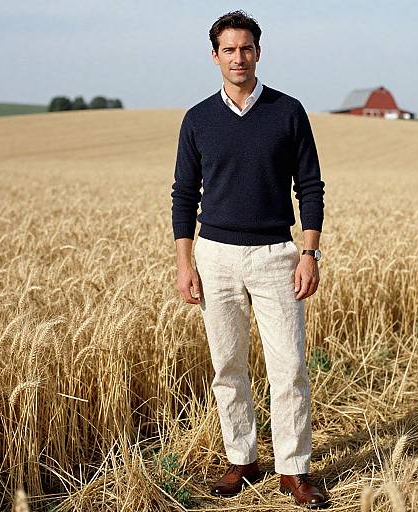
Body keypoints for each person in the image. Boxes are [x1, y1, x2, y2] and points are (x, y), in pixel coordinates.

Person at [171, 10, 329, 509]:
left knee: (290, 368)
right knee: (227, 367)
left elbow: (310, 188)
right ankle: (242, 458)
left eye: (246, 48)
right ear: (214, 55)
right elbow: (182, 196)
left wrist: (309, 254)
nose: (238, 57)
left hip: (274, 256)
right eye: (228, 49)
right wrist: (185, 263)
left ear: (258, 52)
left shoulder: (288, 111)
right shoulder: (197, 119)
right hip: (215, 256)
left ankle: (294, 470)